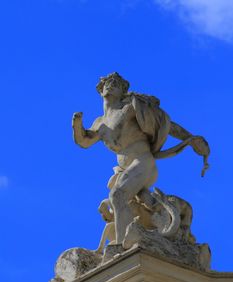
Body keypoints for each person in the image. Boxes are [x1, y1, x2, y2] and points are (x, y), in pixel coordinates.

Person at [72, 72, 210, 244]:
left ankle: (121, 244)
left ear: (123, 90)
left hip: (143, 162)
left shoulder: (130, 107)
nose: (110, 84)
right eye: (107, 82)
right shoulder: (100, 123)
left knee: (117, 195)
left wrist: (191, 139)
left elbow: (165, 125)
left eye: (116, 83)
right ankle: (166, 222)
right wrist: (77, 125)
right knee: (141, 206)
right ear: (101, 90)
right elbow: (84, 141)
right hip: (125, 170)